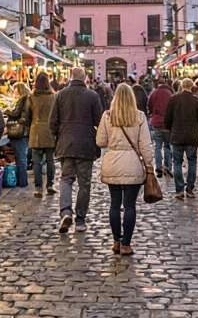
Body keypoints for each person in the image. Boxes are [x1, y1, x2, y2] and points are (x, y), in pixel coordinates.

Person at [96, 82, 152, 256]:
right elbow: (145, 145)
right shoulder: (139, 116)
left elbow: (100, 142)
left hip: (112, 163)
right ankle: (126, 244)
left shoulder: (107, 116)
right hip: (133, 164)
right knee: (129, 206)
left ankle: (115, 241)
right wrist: (149, 165)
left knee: (114, 204)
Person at [49, 67, 104, 233]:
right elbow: (99, 121)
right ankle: (80, 219)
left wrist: (59, 136)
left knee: (66, 179)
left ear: (71, 77)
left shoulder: (61, 95)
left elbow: (52, 122)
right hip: (86, 144)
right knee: (84, 183)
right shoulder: (92, 96)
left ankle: (65, 211)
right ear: (85, 78)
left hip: (66, 144)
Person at [164, 77, 198, 198]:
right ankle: (189, 188)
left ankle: (179, 189)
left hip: (177, 135)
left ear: (182, 86)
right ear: (191, 87)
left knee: (177, 162)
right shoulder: (196, 100)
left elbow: (167, 118)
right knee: (192, 161)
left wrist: (172, 128)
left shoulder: (173, 99)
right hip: (191, 135)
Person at [28, 73, 57, 198]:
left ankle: (38, 188)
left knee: (37, 162)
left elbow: (28, 113)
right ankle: (50, 185)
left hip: (36, 130)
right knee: (50, 161)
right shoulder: (53, 97)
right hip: (50, 131)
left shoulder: (32, 96)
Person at [5, 82, 32, 189]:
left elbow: (16, 114)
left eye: (15, 89)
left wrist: (6, 112)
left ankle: (22, 182)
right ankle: (22, 180)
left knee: (20, 157)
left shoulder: (23, 99)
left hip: (20, 132)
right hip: (26, 131)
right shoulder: (29, 99)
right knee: (22, 157)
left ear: (19, 90)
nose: (14, 92)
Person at [146, 78, 174, 178]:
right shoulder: (170, 93)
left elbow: (149, 106)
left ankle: (158, 167)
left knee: (158, 146)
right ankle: (167, 167)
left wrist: (152, 114)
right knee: (167, 146)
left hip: (156, 122)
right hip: (167, 123)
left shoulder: (154, 93)